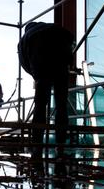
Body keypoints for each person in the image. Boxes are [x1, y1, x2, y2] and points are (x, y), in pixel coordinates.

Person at [18, 22, 74, 154]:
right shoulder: (51, 27)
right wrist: (68, 62)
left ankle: (37, 142)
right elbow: (70, 38)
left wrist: (36, 76)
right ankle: (61, 142)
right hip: (61, 58)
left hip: (41, 63)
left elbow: (24, 62)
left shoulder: (25, 38)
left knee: (40, 104)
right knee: (61, 104)